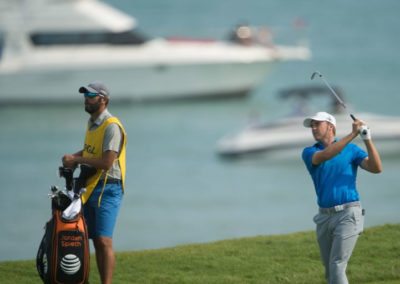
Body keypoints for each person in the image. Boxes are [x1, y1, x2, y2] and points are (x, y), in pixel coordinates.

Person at [301, 112, 382, 284]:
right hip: (324, 217)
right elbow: (326, 155)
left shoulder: (351, 150)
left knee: (337, 265)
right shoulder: (309, 152)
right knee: (330, 270)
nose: (313, 128)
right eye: (312, 125)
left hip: (349, 213)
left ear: (330, 126)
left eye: (317, 124)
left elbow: (376, 168)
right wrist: (353, 134)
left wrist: (366, 138)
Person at [62, 81, 127, 284]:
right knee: (86, 238)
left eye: (91, 96)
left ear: (103, 100)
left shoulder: (112, 126)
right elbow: (92, 151)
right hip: (91, 185)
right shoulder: (92, 124)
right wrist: (74, 156)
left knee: (103, 240)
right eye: (85, 95)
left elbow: (107, 162)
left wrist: (77, 160)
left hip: (108, 187)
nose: (86, 99)